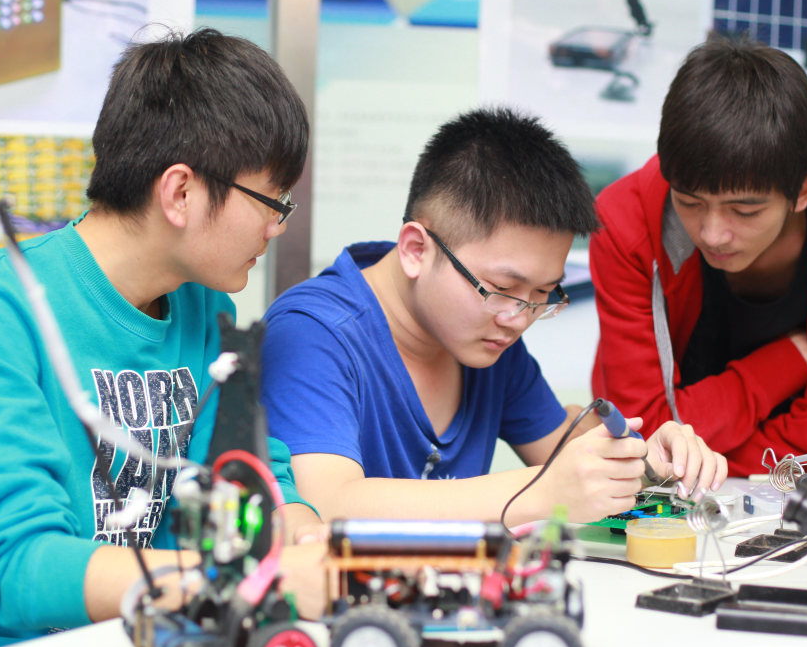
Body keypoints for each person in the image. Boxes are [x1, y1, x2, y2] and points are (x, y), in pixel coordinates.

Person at [0, 29, 325, 647]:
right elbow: (20, 566)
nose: (275, 227)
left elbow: (256, 473)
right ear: (180, 192)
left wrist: (300, 531)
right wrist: (245, 579)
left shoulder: (203, 310)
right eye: (272, 200)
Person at [260, 107, 725, 527]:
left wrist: (647, 463)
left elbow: (565, 457)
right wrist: (539, 493)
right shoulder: (312, 333)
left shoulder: (490, 339)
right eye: (502, 289)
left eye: (543, 294)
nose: (518, 319)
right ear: (416, 250)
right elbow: (325, 505)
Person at [589, 34, 807, 475]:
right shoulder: (626, 225)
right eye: (689, 202)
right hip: (663, 491)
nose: (712, 234)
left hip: (775, 495)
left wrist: (692, 453)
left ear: (804, 191)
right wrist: (782, 365)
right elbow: (645, 436)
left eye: (744, 211)